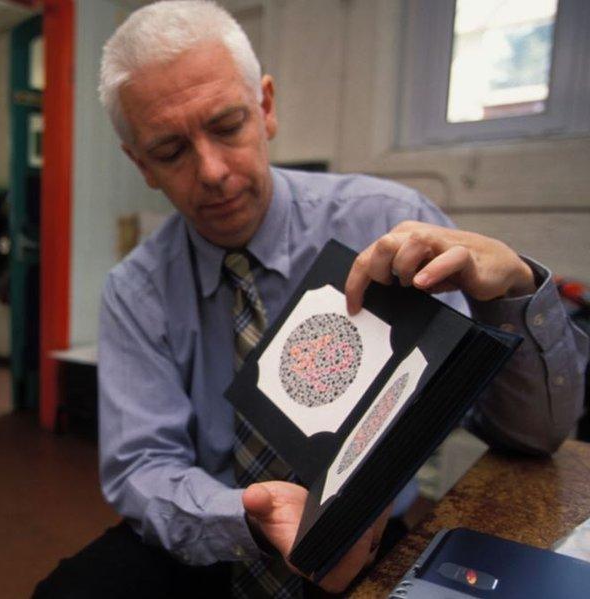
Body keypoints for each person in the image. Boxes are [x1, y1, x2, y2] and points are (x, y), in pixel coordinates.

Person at [35, 1, 588, 597]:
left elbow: (535, 439)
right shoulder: (135, 291)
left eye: (227, 126)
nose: (214, 171)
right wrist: (248, 516)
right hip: (216, 534)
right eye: (171, 152)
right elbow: (142, 469)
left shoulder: (387, 222)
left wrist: (511, 292)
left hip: (370, 535)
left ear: (266, 107)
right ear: (139, 163)